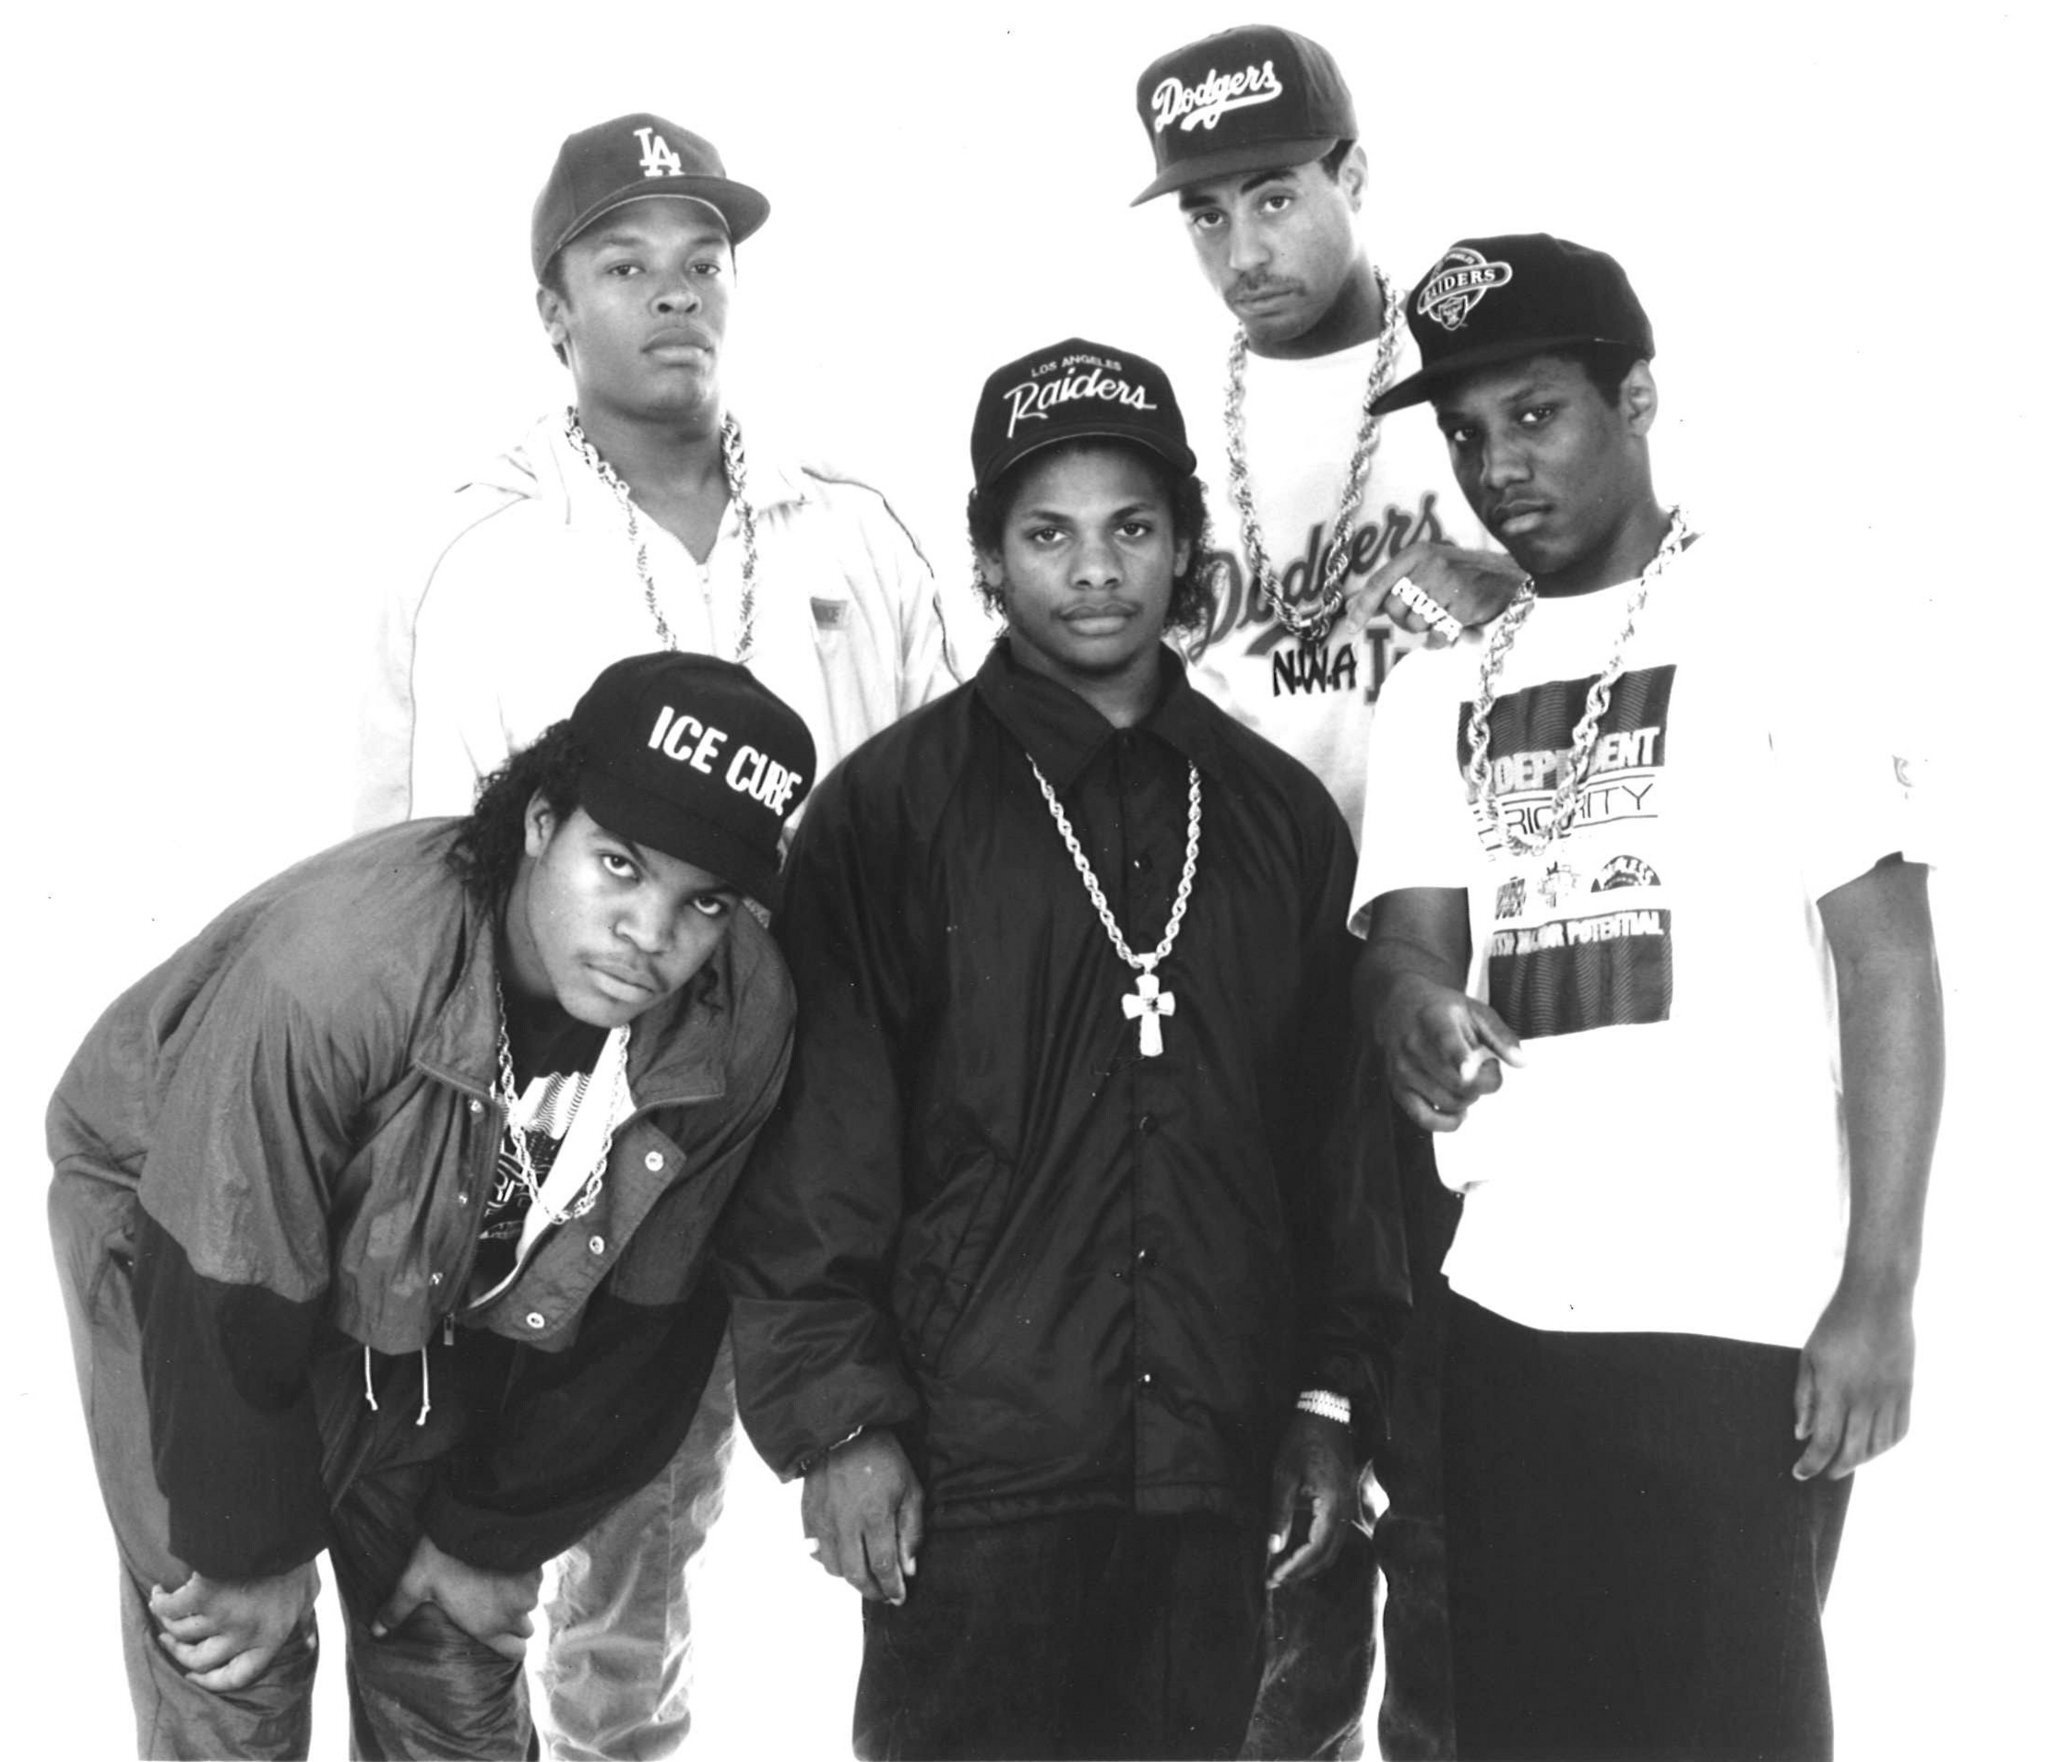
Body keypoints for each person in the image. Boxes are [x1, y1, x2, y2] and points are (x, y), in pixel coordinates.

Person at [354, 112, 962, 1757]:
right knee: (608, 1528)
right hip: (613, 1135)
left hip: (850, 1116)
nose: (673, 293)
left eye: (702, 260)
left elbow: (954, 829)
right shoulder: (492, 554)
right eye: (624, 265)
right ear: (554, 311)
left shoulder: (853, 529)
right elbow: (440, 898)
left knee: (918, 1496)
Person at [719, 339, 1406, 1761]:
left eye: (1131, 528)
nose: (1094, 570)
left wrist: (1328, 1398)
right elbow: (814, 1154)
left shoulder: (1276, 817)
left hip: (1213, 1464)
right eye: (1048, 534)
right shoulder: (887, 814)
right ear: (987, 556)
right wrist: (839, 1423)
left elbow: (1335, 1149)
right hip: (972, 1469)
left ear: (1185, 547)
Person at [1354, 232, 1942, 1760]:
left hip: (1731, 1307)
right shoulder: (1438, 688)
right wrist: (1412, 1012)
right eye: (1466, 433)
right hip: (1505, 1305)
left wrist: (1878, 1288)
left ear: (1637, 399)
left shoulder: (1780, 621)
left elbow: (1888, 957)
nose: (1497, 467)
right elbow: (1406, 947)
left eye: (1535, 414)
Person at [48, 652, 816, 1760]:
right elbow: (225, 1252)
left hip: (443, 1264)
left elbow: (652, 1324)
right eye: (618, 865)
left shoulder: (735, 1012)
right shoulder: (339, 969)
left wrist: (490, 1536)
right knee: (236, 1655)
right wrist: (248, 1546)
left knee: (449, 1653)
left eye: (703, 901)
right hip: (178, 1231)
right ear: (541, 822)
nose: (650, 934)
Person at [1128, 26, 1516, 1757]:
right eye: (1204, 214)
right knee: (1258, 1464)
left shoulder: (1475, 381)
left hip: (1447, 982)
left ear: (1352, 176)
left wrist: (1490, 597)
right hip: (1244, 1000)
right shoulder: (1168, 416)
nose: (1243, 248)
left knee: (1442, 1457)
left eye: (1274, 196)